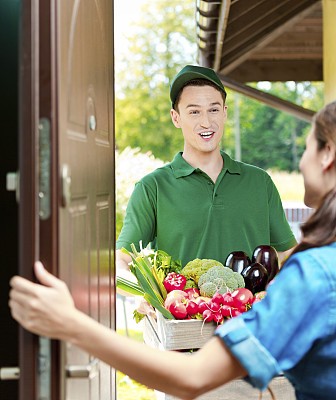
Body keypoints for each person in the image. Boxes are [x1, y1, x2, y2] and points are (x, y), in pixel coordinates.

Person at [9, 100, 336, 399]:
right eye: (193, 110)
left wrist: (70, 323)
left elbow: (193, 377)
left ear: (327, 154)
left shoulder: (313, 276)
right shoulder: (319, 267)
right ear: (176, 117)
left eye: (306, 146)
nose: (302, 160)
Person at [116, 65, 296, 274]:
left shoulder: (259, 182)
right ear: (176, 117)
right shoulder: (153, 188)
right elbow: (120, 260)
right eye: (194, 112)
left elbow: (287, 253)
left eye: (213, 110)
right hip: (182, 306)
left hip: (253, 307)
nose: (206, 122)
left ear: (224, 113)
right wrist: (143, 295)